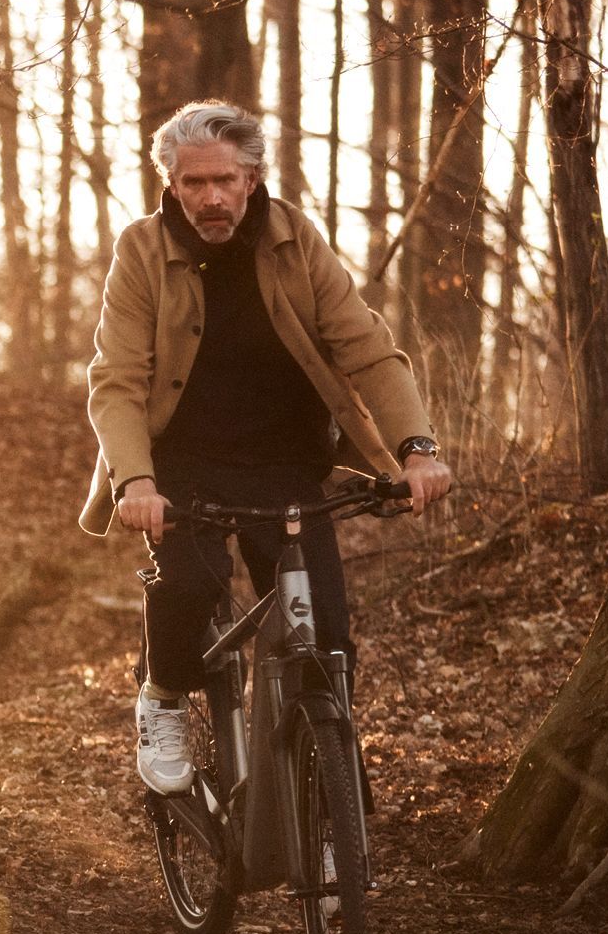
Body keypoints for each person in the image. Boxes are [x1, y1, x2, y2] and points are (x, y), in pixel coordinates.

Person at [79, 101, 451, 795]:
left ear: (252, 177)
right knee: (189, 587)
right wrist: (135, 482)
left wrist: (417, 448)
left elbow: (367, 349)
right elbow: (117, 378)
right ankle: (162, 697)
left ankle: (329, 801)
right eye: (193, 183)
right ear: (172, 184)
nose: (210, 197)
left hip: (285, 464)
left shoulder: (293, 240)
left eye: (224, 179)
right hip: (181, 466)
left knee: (326, 641)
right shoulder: (142, 249)